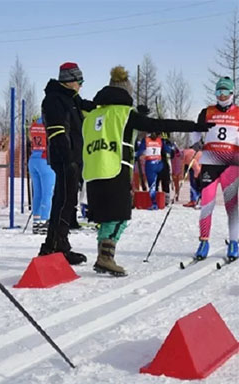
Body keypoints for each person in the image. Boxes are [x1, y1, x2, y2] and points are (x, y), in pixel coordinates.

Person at [81, 66, 211, 276]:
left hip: (93, 171)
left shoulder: (93, 114)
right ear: (126, 93)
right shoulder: (125, 114)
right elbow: (160, 123)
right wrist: (194, 126)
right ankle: (106, 257)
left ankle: (103, 256)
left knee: (106, 217)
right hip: (115, 169)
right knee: (120, 216)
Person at [39, 62, 95, 264]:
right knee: (64, 202)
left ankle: (58, 244)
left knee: (67, 201)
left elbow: (89, 106)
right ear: (71, 81)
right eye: (80, 81)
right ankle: (54, 246)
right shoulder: (55, 99)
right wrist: (68, 158)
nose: (81, 85)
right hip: (65, 158)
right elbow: (57, 131)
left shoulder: (71, 99)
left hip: (73, 158)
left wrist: (111, 102)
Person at [189, 77, 239, 261]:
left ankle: (234, 242)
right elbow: (195, 129)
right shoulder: (207, 112)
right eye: (219, 92)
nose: (222, 96)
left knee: (232, 206)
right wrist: (196, 143)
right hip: (210, 163)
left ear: (232, 93)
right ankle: (204, 241)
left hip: (231, 165)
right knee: (207, 204)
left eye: (225, 92)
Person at [28, 117, 55, 234]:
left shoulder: (35, 124)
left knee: (37, 193)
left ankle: (36, 221)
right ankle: (45, 221)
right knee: (48, 193)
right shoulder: (50, 122)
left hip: (33, 159)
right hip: (45, 160)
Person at [134, 132, 175, 209]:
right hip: (160, 163)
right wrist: (172, 150)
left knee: (154, 184)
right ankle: (163, 200)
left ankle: (156, 202)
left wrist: (135, 155)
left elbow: (140, 151)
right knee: (162, 181)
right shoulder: (160, 141)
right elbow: (170, 151)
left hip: (151, 163)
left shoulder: (146, 140)